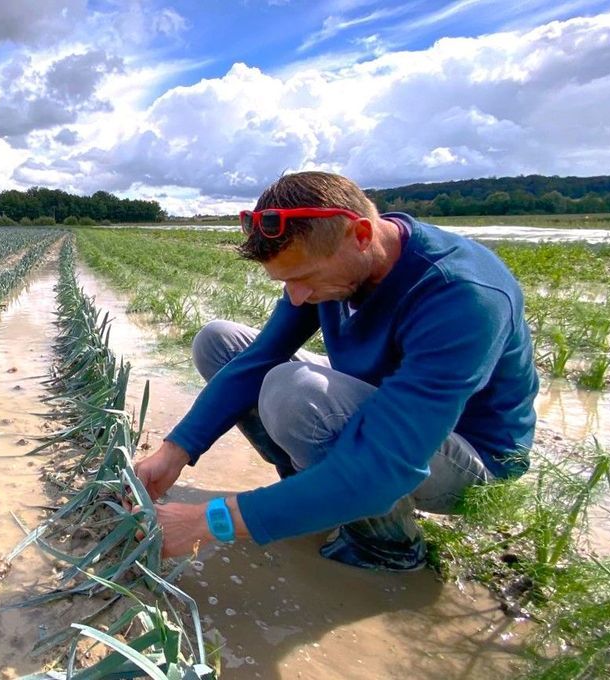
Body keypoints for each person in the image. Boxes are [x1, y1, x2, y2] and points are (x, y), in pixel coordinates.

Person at [133, 171, 538, 571]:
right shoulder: (342, 259)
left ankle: (386, 543)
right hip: (384, 404)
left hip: (465, 454)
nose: (296, 297)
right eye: (286, 282)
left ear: (361, 235)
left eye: (304, 278)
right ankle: (313, 493)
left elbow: (387, 465)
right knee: (219, 342)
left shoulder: (462, 294)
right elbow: (258, 360)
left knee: (295, 392)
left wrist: (209, 522)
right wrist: (175, 452)